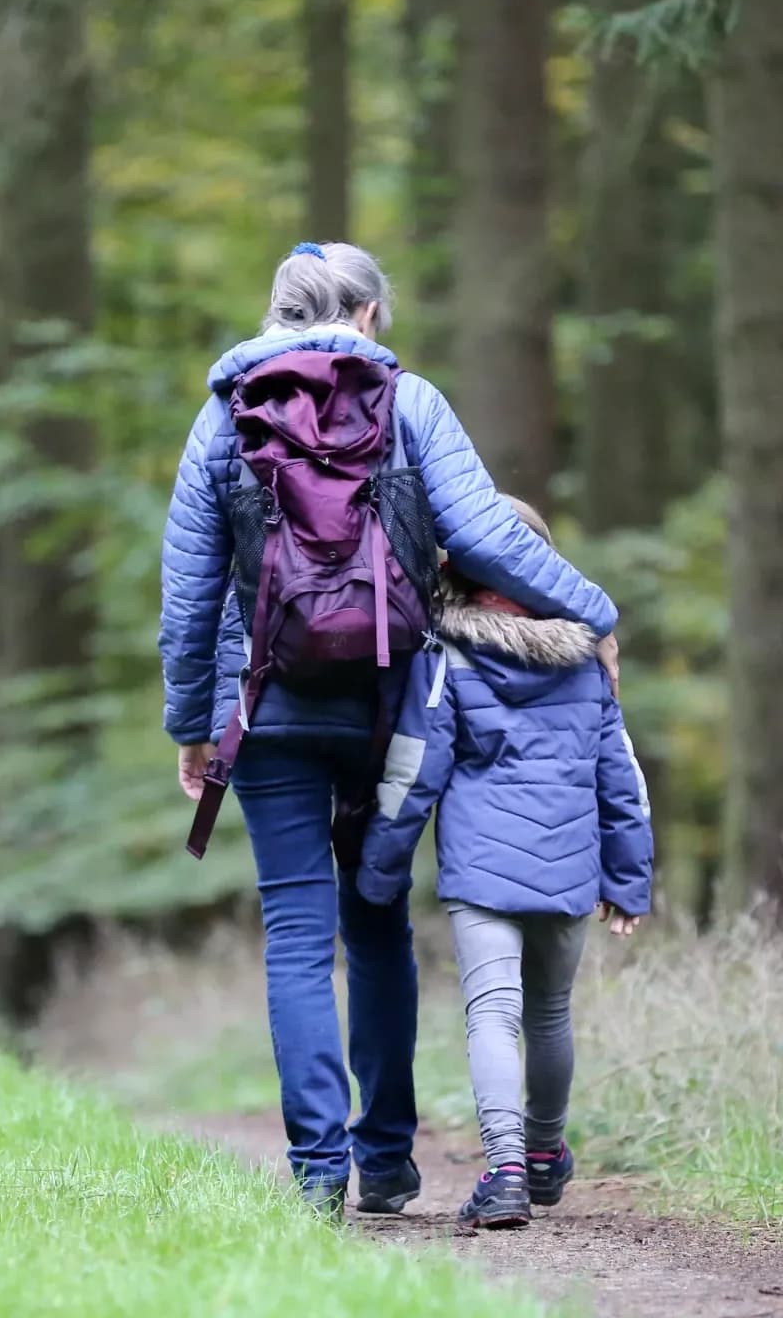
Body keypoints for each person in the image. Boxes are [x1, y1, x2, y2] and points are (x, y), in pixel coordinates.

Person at [158, 242, 620, 1219]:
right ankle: (390, 1161)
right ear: (367, 315)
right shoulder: (412, 403)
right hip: (390, 705)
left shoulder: (221, 418)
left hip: (269, 707)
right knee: (376, 924)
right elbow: (491, 536)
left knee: (294, 932)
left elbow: (190, 592)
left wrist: (192, 725)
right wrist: (595, 612)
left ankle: (319, 1174)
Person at [360, 498, 652, 1229]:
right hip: (569, 865)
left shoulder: (447, 655)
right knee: (550, 1012)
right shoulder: (588, 660)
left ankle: (507, 1171)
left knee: (494, 1014)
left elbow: (413, 769)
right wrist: (628, 878)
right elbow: (622, 778)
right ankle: (548, 1153)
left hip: (484, 873)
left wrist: (380, 867)